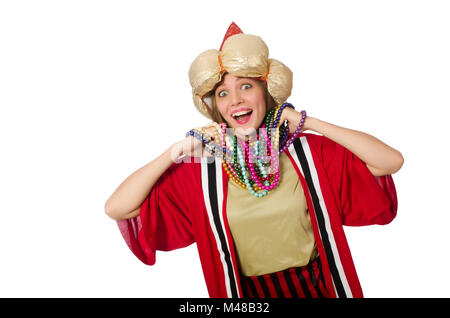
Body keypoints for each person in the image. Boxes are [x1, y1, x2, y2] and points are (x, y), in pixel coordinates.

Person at [104, 22, 403, 298]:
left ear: (266, 91)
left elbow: (390, 161)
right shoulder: (202, 170)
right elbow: (117, 207)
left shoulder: (307, 152)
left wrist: (307, 123)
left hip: (318, 289)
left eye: (246, 86)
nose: (235, 101)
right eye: (223, 93)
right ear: (216, 107)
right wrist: (178, 149)